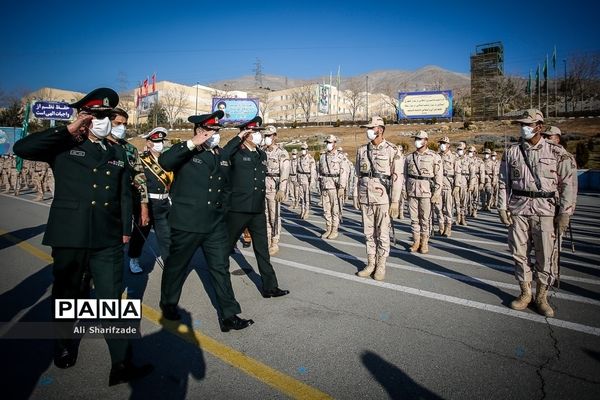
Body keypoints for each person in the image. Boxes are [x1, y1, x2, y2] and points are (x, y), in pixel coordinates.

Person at [12, 88, 153, 385]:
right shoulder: (64, 145)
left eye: (108, 116)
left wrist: (126, 231)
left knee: (112, 300)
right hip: (70, 235)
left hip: (108, 238)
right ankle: (63, 344)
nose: (105, 121)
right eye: (98, 115)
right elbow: (22, 149)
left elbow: (124, 194)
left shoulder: (117, 151)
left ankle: (121, 363)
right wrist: (70, 129)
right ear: (85, 117)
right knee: (67, 295)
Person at [158, 110, 253, 332]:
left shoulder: (218, 154)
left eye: (217, 131)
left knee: (220, 267)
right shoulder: (185, 152)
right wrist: (192, 142)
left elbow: (226, 186)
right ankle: (168, 304)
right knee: (176, 266)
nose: (215, 134)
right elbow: (165, 161)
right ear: (200, 131)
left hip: (214, 224)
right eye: (212, 130)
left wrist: (224, 212)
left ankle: (229, 314)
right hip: (187, 224)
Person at [498, 109, 576, 317]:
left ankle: (542, 296)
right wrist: (502, 206)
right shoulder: (512, 152)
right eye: (521, 124)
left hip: (546, 210)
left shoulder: (557, 152)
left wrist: (565, 213)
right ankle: (525, 293)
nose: (523, 127)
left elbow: (568, 185)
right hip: (519, 209)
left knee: (546, 255)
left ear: (539, 127)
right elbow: (503, 183)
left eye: (528, 124)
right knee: (519, 253)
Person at [223, 116, 290, 298]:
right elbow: (222, 155)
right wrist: (238, 138)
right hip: (238, 209)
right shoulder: (235, 152)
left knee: (262, 250)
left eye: (260, 131)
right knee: (224, 247)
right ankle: (219, 280)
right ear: (246, 134)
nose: (260, 135)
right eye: (256, 132)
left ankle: (270, 287)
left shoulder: (261, 154)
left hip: (257, 210)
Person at [354, 116, 403, 281]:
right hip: (365, 197)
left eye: (371, 128)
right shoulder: (361, 150)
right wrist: (356, 195)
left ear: (380, 129)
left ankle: (381, 265)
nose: (368, 131)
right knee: (368, 233)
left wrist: (395, 201)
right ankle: (371, 263)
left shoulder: (392, 150)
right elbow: (358, 175)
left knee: (382, 233)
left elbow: (397, 178)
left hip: (383, 199)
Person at [128, 127, 173, 271]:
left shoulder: (168, 161)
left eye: (161, 141)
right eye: (155, 141)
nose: (159, 144)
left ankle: (169, 262)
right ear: (148, 143)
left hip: (164, 203)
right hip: (146, 203)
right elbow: (137, 183)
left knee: (166, 236)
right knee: (140, 235)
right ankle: (134, 259)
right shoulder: (141, 160)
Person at [404, 131, 443, 254]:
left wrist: (437, 193)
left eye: (419, 139)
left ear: (426, 140)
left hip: (426, 191)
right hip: (412, 190)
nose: (417, 141)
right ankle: (416, 241)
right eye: (416, 138)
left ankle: (424, 242)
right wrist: (404, 190)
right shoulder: (409, 157)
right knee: (414, 218)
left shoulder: (434, 156)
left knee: (425, 218)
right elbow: (405, 176)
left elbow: (439, 176)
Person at [262, 126, 290, 255]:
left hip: (274, 187)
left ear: (275, 136)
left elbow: (285, 172)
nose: (267, 138)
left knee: (274, 216)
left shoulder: (281, 153)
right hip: (263, 187)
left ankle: (274, 241)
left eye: (270, 135)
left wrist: (282, 190)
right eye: (266, 135)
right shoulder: (262, 151)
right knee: (264, 215)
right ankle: (267, 239)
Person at [318, 135, 348, 239]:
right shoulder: (323, 156)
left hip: (335, 186)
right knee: (326, 209)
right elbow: (320, 172)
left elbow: (344, 172)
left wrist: (342, 187)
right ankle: (328, 228)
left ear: (335, 143)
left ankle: (335, 229)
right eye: (327, 142)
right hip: (325, 185)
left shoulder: (340, 156)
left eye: (330, 142)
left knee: (335, 209)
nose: (328, 144)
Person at [434, 136, 460, 237]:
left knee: (448, 208)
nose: (442, 145)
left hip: (449, 185)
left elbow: (458, 172)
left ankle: (448, 227)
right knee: (438, 207)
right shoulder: (437, 156)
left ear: (448, 145)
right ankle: (441, 226)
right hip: (438, 185)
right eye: (440, 143)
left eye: (444, 143)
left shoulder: (454, 157)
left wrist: (457, 186)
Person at [296, 142, 317, 220]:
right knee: (301, 196)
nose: (303, 150)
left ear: (307, 150)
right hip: (300, 178)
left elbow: (313, 171)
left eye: (304, 149)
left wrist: (312, 181)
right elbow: (296, 170)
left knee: (306, 196)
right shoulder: (299, 158)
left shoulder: (310, 159)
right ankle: (302, 210)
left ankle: (307, 211)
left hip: (306, 178)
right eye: (302, 149)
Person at [454, 142, 470, 226]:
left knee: (463, 201)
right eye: (458, 149)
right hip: (456, 181)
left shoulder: (468, 159)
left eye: (461, 149)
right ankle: (458, 217)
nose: (459, 151)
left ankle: (463, 217)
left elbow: (472, 173)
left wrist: (471, 184)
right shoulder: (454, 158)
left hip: (464, 181)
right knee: (456, 201)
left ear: (465, 150)